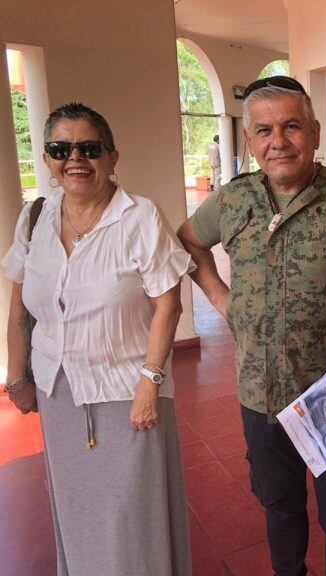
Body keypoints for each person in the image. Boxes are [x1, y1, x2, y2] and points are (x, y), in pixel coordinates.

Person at [177, 76, 326, 576]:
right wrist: (222, 299)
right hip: (261, 396)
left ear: (316, 132)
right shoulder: (233, 201)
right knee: (280, 510)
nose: (278, 141)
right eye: (263, 130)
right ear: (250, 140)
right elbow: (187, 243)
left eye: (291, 126)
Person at [1, 102, 193, 575]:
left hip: (130, 392)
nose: (75, 158)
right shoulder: (35, 218)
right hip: (59, 391)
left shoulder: (140, 217)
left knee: (132, 515)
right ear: (47, 159)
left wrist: (150, 383)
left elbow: (168, 304)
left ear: (112, 157)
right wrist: (17, 376)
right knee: (75, 506)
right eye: (60, 148)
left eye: (89, 147)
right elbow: (20, 306)